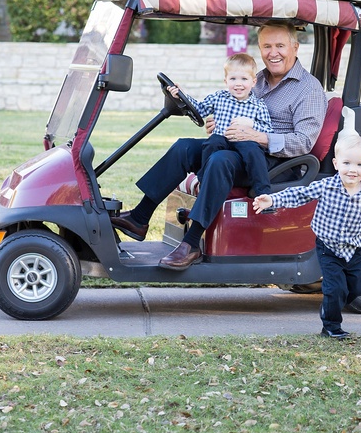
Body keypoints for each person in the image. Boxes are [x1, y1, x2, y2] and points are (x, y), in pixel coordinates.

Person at [111, 22, 327, 271]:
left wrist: (256, 136)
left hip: (275, 162)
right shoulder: (255, 79)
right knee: (184, 148)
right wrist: (218, 125)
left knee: (219, 160)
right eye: (267, 46)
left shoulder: (308, 89)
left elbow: (304, 142)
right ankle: (140, 217)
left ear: (295, 47)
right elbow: (232, 107)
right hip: (238, 147)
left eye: (280, 45)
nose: (273, 52)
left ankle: (191, 242)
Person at [253, 134, 361, 339]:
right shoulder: (326, 186)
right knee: (334, 288)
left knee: (356, 289)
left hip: (355, 248)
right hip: (328, 247)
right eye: (346, 163)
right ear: (336, 163)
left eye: (358, 164)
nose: (352, 169)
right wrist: (272, 200)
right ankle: (331, 326)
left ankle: (331, 307)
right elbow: (299, 194)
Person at [168, 53, 273, 197]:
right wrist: (182, 95)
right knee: (213, 141)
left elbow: (268, 130)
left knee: (253, 150)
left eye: (244, 79)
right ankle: (205, 180)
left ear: (253, 82)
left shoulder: (259, 105)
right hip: (222, 140)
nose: (238, 84)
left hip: (244, 142)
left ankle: (263, 192)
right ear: (226, 81)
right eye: (233, 79)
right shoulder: (219, 98)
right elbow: (199, 109)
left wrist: (251, 124)